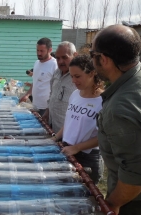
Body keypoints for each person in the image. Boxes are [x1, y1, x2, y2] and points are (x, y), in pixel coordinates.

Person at [92, 24, 141, 214]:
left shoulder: (119, 108)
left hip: (133, 202)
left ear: (103, 59)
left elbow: (135, 174)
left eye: (92, 55)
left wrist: (112, 204)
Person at [51, 55, 104, 184]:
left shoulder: (103, 101)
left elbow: (105, 136)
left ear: (92, 73)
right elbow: (70, 122)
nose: (73, 81)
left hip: (87, 157)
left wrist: (77, 147)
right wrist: (55, 138)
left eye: (78, 76)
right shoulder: (75, 94)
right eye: (71, 76)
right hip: (67, 150)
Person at [42, 41, 77, 132]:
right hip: (53, 127)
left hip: (69, 132)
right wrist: (47, 112)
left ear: (75, 55)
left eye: (65, 57)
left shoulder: (79, 77)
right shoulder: (57, 73)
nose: (61, 61)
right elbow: (52, 95)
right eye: (58, 58)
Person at [19, 38, 57, 116]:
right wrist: (27, 94)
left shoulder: (54, 65)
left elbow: (57, 88)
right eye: (37, 50)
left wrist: (49, 108)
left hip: (46, 108)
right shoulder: (36, 63)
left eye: (42, 51)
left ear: (50, 50)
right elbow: (35, 81)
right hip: (35, 105)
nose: (39, 53)